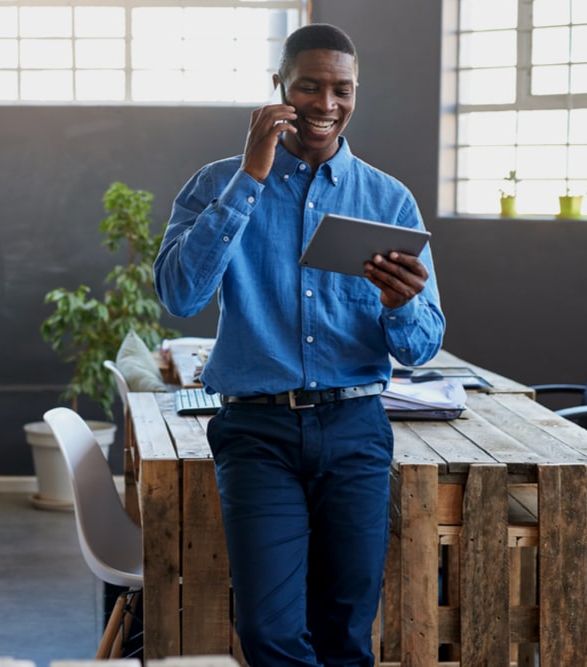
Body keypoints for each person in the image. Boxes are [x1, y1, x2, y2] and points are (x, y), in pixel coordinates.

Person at [153, 23, 445, 667]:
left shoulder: (387, 199)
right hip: (256, 433)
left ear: (356, 92)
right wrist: (251, 178)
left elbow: (424, 346)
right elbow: (178, 295)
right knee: (269, 632)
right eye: (309, 85)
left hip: (356, 428)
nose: (325, 103)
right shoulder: (216, 184)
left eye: (342, 88)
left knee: (345, 631)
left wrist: (401, 306)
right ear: (279, 88)